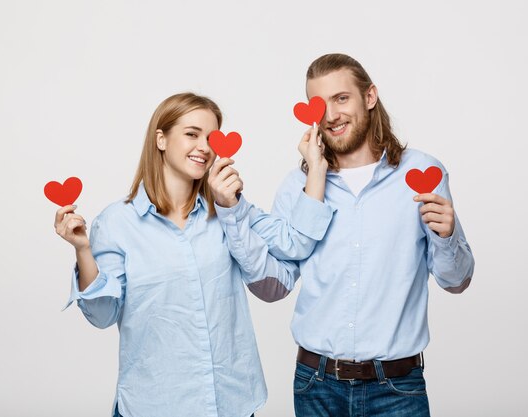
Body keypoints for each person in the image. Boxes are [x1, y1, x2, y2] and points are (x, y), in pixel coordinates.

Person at [54, 92, 332, 417]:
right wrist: (83, 249)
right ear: (161, 139)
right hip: (154, 406)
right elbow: (102, 315)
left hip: (232, 404)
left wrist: (316, 166)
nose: (204, 146)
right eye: (191, 134)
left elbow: (296, 243)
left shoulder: (229, 208)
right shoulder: (117, 223)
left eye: (210, 137)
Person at [241, 53, 476, 417]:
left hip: (397, 387)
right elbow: (276, 286)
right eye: (320, 104)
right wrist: (233, 215)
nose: (331, 115)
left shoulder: (422, 172)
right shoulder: (298, 187)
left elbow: (456, 280)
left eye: (341, 98)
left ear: (369, 97)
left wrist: (448, 234)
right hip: (315, 385)